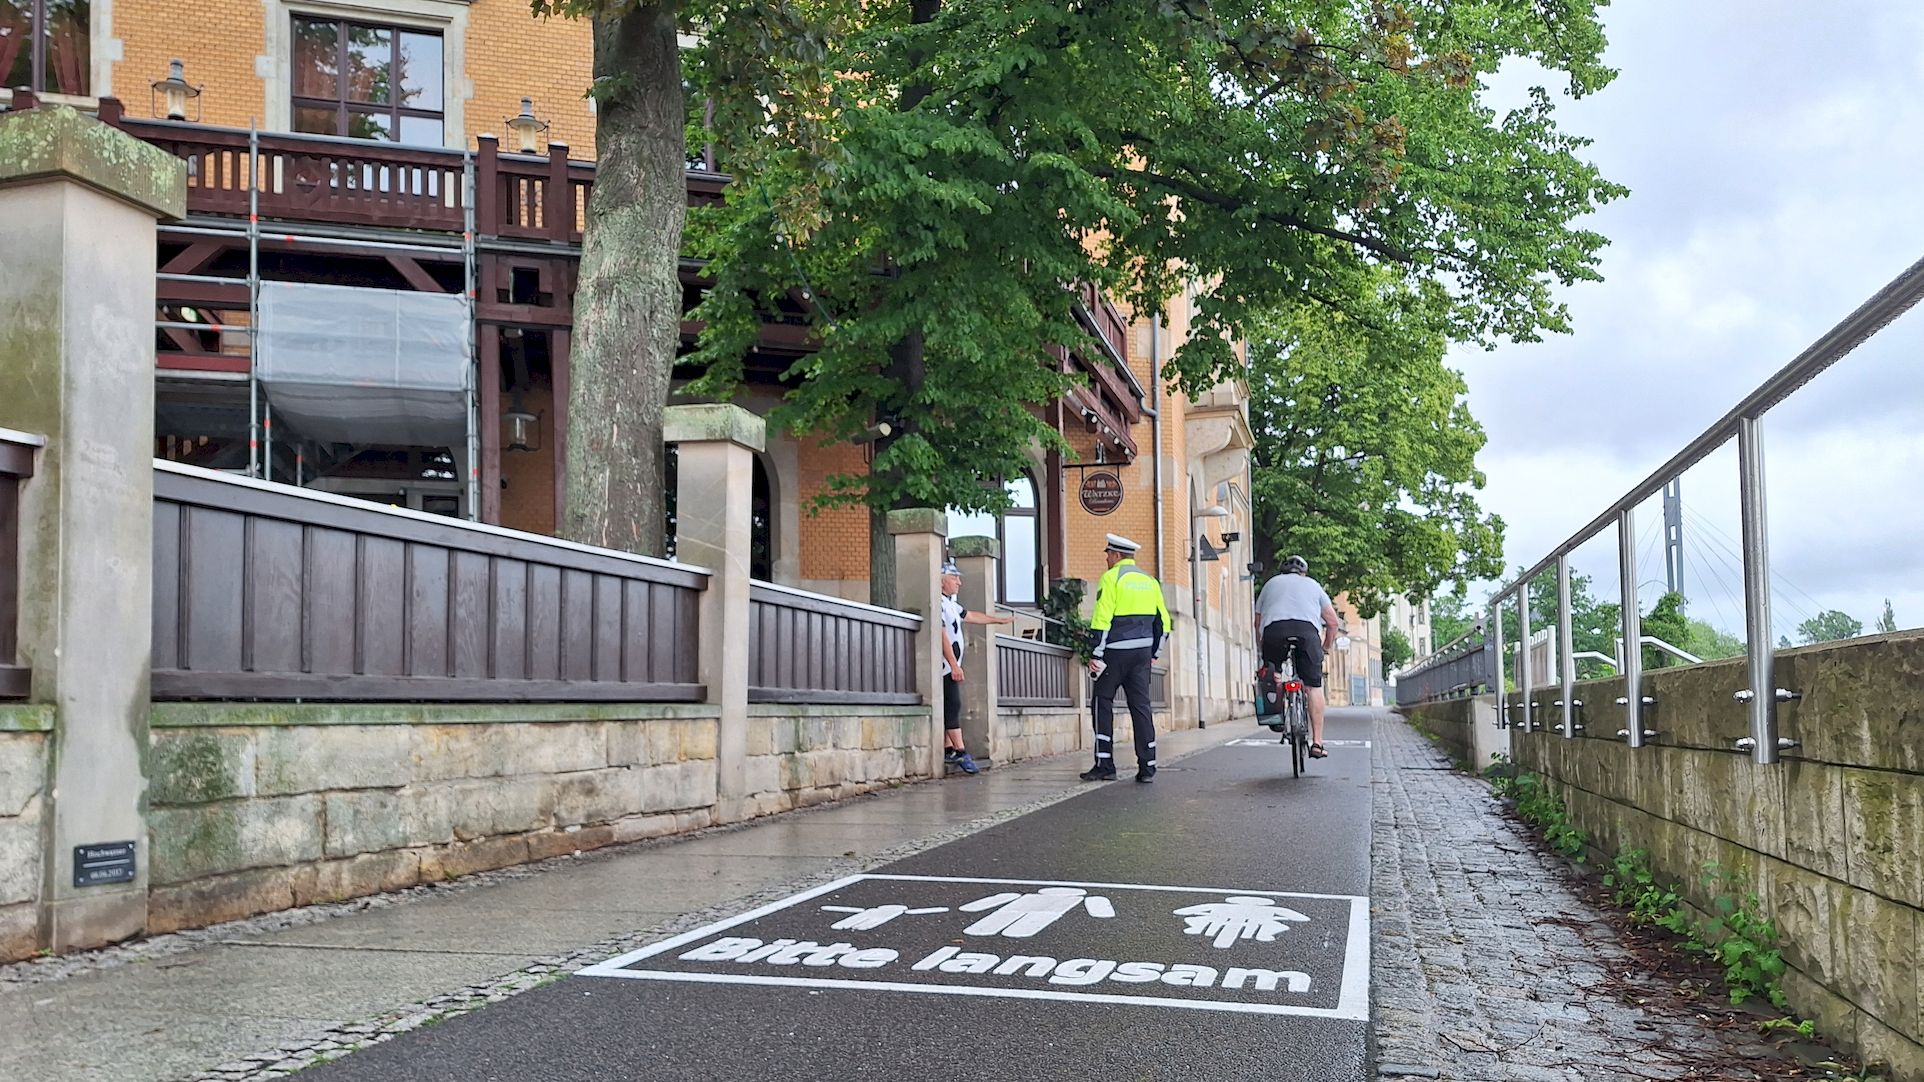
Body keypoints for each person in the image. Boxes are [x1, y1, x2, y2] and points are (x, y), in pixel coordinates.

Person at [1081, 534, 1172, 783]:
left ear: (1117, 555)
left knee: (1102, 702)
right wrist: (1155, 653)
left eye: (1108, 554)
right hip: (1141, 654)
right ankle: (1148, 766)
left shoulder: (1111, 578)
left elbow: (1102, 618)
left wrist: (1095, 653)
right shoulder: (1150, 581)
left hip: (1114, 653)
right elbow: (1164, 623)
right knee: (1141, 707)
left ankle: (1105, 764)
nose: (1107, 559)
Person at [1254, 555, 1341, 758]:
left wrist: (1263, 649)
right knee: (1313, 686)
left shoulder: (1270, 584)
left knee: (1273, 674)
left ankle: (1275, 717)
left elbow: (1257, 622)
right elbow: (1333, 623)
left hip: (1275, 632)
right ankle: (1317, 743)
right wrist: (1325, 647)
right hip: (1307, 634)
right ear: (1304, 572)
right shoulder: (1314, 586)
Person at [940, 561, 1012, 775]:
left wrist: (997, 621)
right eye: (955, 578)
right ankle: (961, 751)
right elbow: (941, 634)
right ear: (942, 580)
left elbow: (970, 616)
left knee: (950, 706)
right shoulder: (938, 604)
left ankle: (949, 748)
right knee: (953, 705)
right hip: (945, 666)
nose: (959, 583)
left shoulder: (951, 603)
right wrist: (953, 664)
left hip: (952, 664)